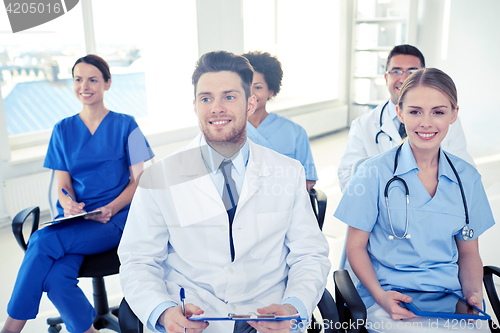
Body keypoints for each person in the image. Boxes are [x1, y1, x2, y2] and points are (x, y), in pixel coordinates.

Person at [118, 50, 330, 333]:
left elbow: (309, 254)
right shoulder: (159, 178)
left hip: (268, 318)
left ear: (250, 103)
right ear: (195, 106)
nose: (216, 108)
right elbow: (138, 260)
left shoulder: (288, 172)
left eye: (229, 97)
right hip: (194, 320)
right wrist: (163, 312)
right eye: (206, 98)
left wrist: (294, 306)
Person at [2, 55, 154, 333]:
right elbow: (63, 185)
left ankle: (10, 329)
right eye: (78, 79)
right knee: (57, 278)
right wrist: (68, 203)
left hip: (115, 218)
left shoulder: (127, 124)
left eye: (93, 79)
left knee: (41, 240)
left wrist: (111, 207)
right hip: (76, 220)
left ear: (107, 83)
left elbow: (139, 180)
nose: (85, 85)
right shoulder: (62, 129)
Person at [334, 68, 495, 332]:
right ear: (400, 113)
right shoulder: (373, 173)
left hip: (448, 298)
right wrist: (380, 296)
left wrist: (473, 295)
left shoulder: (468, 178)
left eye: (439, 112)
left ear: (454, 114)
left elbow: (468, 253)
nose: (426, 123)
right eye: (415, 111)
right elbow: (355, 248)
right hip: (388, 297)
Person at [338, 44, 474, 192]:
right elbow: (348, 176)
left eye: (412, 71)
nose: (404, 78)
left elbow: (464, 173)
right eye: (396, 71)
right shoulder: (363, 125)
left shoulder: (447, 120)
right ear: (386, 77)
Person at [242, 51, 318, 191]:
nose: (250, 93)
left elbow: (308, 178)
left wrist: (281, 199)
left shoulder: (295, 132)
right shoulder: (228, 130)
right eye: (245, 86)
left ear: (270, 91)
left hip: (285, 204)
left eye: (258, 87)